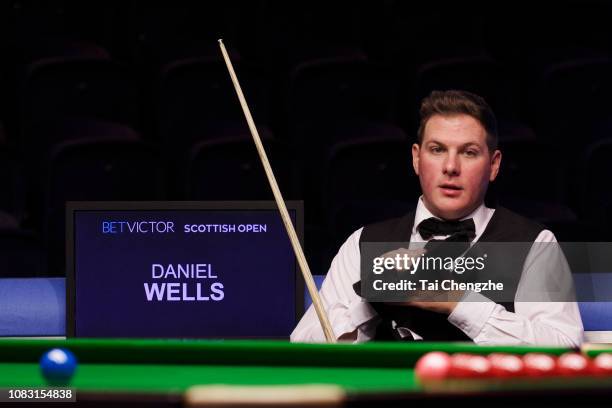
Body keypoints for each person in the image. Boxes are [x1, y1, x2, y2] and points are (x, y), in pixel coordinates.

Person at [291, 90, 583, 345]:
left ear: (493, 166)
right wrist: (372, 296)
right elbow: (305, 345)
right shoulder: (363, 243)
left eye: (468, 152)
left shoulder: (534, 243)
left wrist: (460, 301)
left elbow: (562, 343)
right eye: (437, 150)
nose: (451, 167)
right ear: (417, 159)